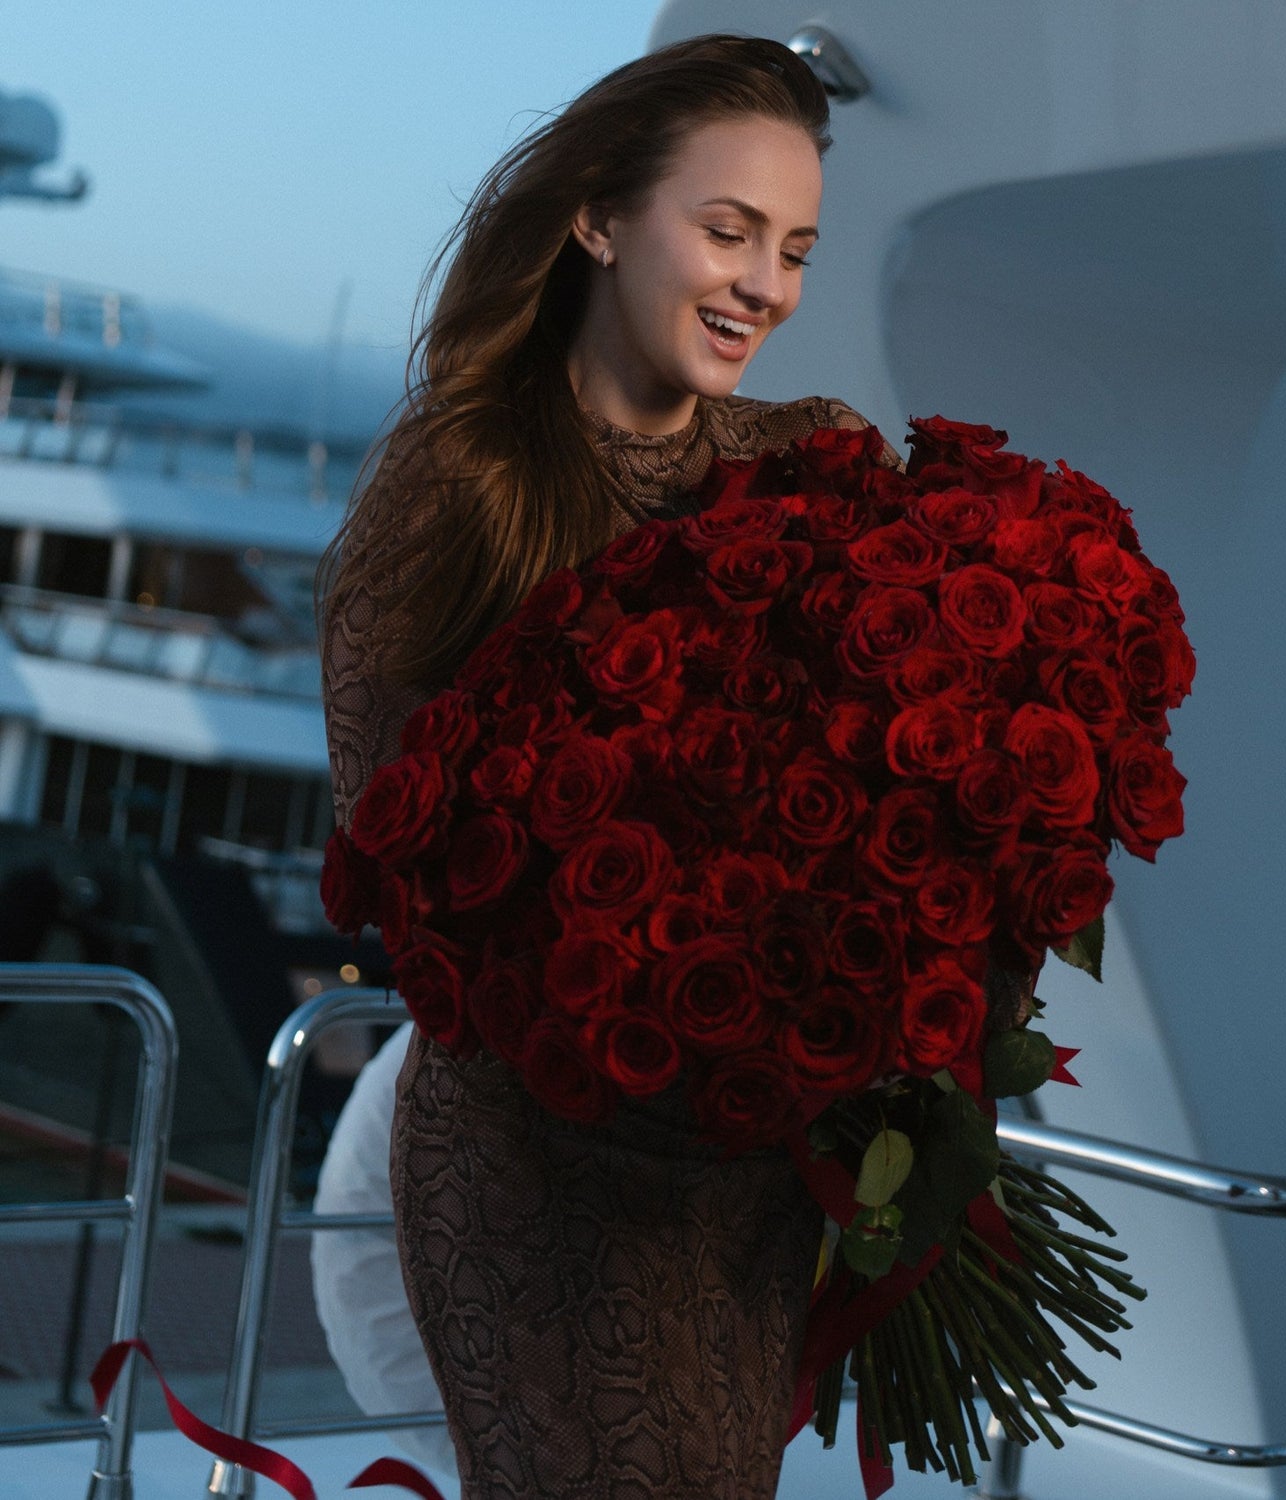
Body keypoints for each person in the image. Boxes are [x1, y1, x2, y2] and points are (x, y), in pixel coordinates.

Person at [317, 33, 904, 1499]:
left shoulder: (818, 463)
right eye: (726, 232)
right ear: (597, 218)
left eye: (797, 250)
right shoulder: (463, 476)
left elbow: (895, 791)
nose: (765, 285)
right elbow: (393, 855)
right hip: (530, 1158)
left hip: (742, 1174)